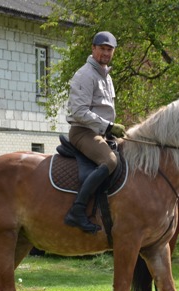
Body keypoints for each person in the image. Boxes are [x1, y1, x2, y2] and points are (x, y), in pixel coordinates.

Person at [64, 31, 126, 234]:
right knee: (110, 161)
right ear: (93, 48)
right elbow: (79, 112)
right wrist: (109, 126)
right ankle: (77, 210)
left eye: (109, 49)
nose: (106, 53)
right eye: (102, 48)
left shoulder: (106, 76)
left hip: (101, 132)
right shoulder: (85, 74)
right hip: (83, 132)